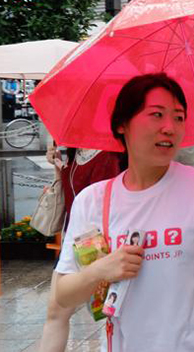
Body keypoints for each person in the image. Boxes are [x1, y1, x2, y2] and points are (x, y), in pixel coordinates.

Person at [53, 73, 194, 351]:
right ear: (122, 124)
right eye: (156, 115)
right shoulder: (93, 201)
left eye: (179, 117)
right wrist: (100, 270)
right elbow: (63, 294)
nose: (169, 127)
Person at [39, 145, 121, 352]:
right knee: (56, 311)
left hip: (104, 243)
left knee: (113, 313)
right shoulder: (74, 152)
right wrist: (58, 168)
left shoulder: (113, 150)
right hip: (76, 240)